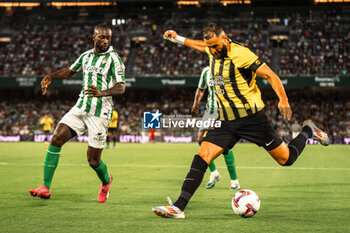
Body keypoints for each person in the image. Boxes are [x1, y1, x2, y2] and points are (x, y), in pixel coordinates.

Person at [152, 23, 329, 218]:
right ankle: (179, 207)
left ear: (225, 39)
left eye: (215, 45)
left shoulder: (241, 54)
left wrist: (283, 99)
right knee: (202, 155)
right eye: (209, 46)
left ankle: (309, 131)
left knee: (286, 159)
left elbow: (270, 75)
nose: (211, 50)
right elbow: (200, 46)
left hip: (252, 120)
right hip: (226, 120)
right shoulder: (211, 49)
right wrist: (177, 38)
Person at [29, 23, 126, 203]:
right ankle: (45, 187)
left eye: (108, 38)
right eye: (102, 37)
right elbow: (69, 71)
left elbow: (121, 87)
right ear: (94, 37)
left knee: (93, 161)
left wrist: (102, 92)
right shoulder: (86, 56)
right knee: (56, 138)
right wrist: (50, 77)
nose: (105, 40)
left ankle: (106, 181)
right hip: (80, 107)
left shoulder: (114, 59)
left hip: (100, 113)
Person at [191, 66, 239, 190]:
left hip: (225, 112)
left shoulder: (230, 68)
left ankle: (234, 181)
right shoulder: (206, 71)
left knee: (225, 147)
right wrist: (195, 103)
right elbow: (201, 89)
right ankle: (214, 173)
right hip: (210, 112)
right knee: (201, 140)